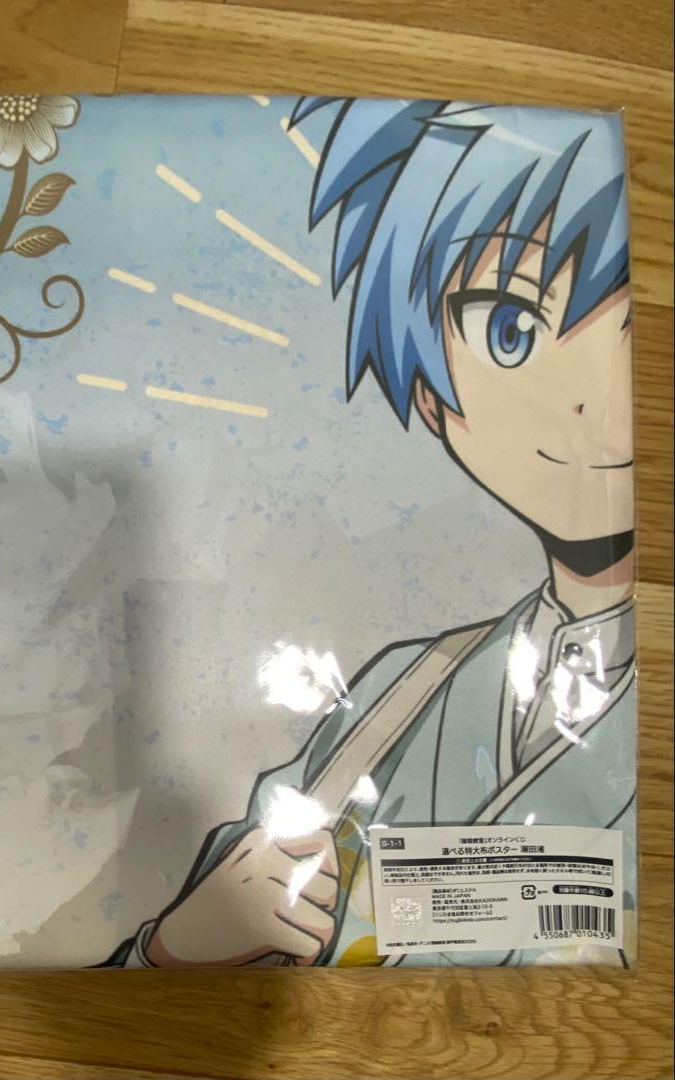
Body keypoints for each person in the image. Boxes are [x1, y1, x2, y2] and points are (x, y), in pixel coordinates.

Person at [110, 98, 636, 968]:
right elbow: (237, 891)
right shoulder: (406, 687)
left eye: (623, 330)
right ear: (432, 397)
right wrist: (174, 947)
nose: (588, 401)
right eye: (511, 330)